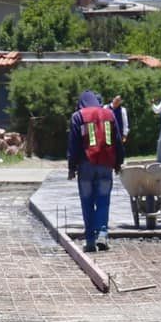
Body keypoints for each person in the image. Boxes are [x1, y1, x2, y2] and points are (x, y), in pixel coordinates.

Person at [65, 89, 121, 251]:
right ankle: (102, 235)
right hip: (106, 165)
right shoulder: (109, 115)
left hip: (86, 166)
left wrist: (72, 167)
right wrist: (118, 163)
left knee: (87, 202)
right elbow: (117, 141)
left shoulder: (78, 116)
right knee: (103, 201)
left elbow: (73, 144)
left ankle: (90, 240)